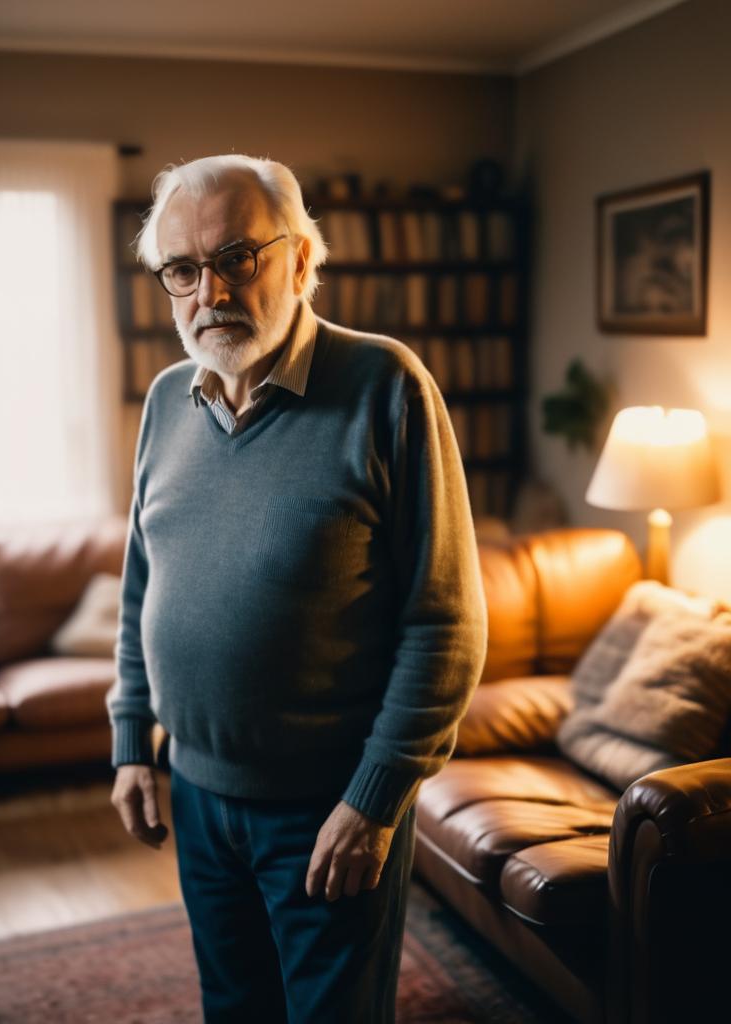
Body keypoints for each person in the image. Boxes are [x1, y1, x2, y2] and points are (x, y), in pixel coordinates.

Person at [106, 154, 488, 1024]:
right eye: (182, 270)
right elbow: (142, 581)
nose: (210, 292)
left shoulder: (387, 387)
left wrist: (374, 801)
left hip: (329, 804)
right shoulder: (167, 400)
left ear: (303, 260)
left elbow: (447, 624)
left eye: (238, 257)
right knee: (234, 1009)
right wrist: (133, 736)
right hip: (198, 798)